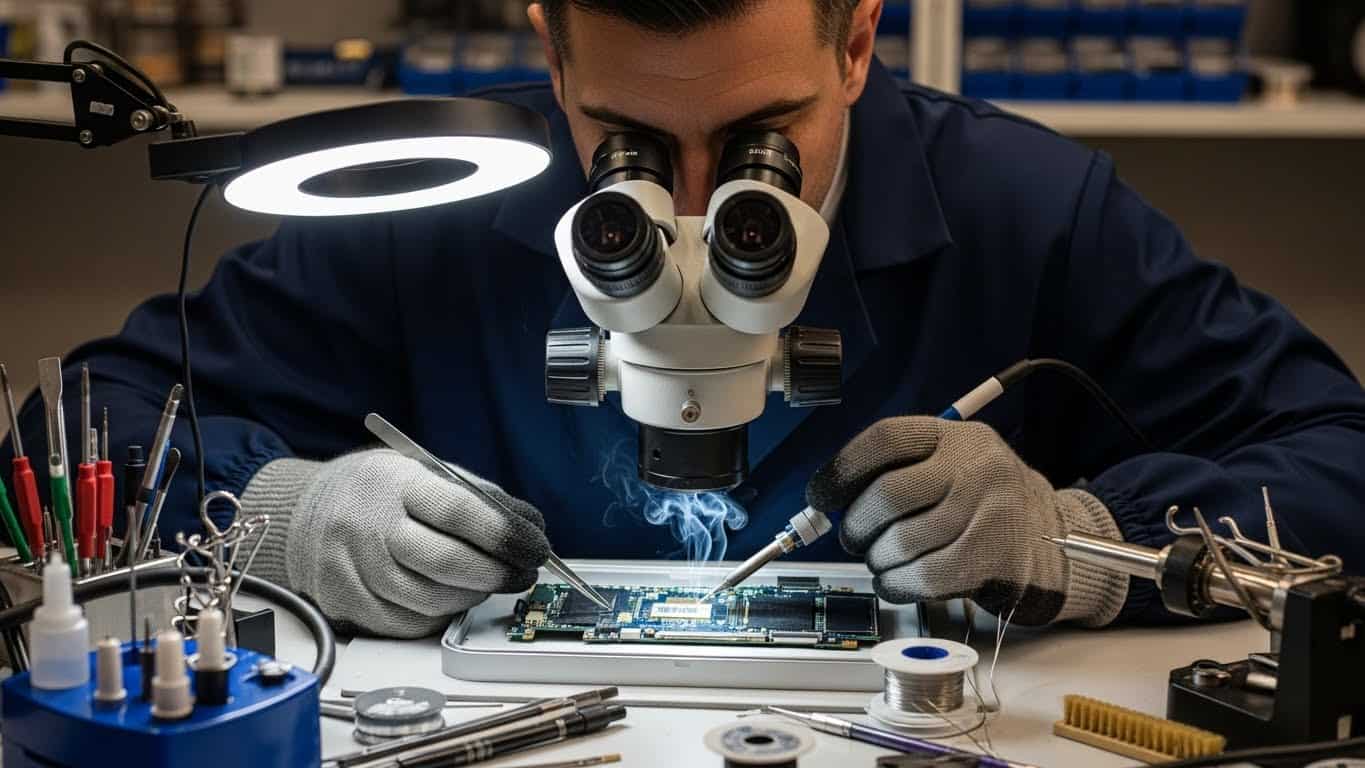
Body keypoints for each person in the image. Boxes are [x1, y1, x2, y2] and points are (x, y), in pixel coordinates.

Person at [6, 0, 1364, 638]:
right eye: (628, 149)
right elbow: (88, 433)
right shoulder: (431, 210)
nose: (695, 217)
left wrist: (1084, 542)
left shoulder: (1029, 210)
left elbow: (1339, 453)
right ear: (550, 56)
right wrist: (288, 517)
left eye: (760, 144)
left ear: (855, 42)